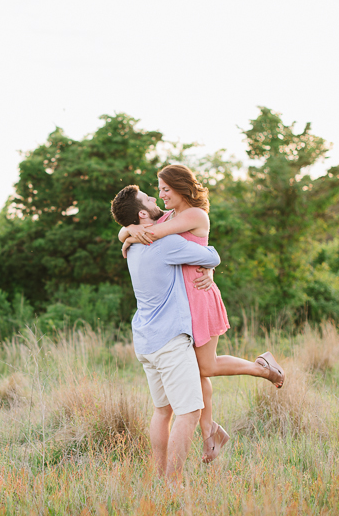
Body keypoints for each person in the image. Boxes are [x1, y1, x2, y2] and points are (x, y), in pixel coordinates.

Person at [119, 165, 285, 463]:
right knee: (196, 369)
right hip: (181, 300)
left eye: (165, 189)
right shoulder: (166, 216)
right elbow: (141, 227)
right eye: (157, 190)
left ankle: (263, 368)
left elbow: (154, 233)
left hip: (198, 293)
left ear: (181, 187)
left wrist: (132, 235)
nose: (161, 195)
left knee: (205, 367)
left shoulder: (194, 215)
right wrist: (128, 230)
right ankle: (211, 434)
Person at [110, 184, 221, 483]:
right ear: (143, 213)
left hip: (145, 341)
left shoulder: (132, 244)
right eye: (149, 198)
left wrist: (127, 232)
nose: (156, 198)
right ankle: (173, 485)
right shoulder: (166, 244)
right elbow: (212, 256)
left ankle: (160, 478)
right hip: (170, 341)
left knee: (163, 412)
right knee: (190, 413)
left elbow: (127, 233)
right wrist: (208, 268)